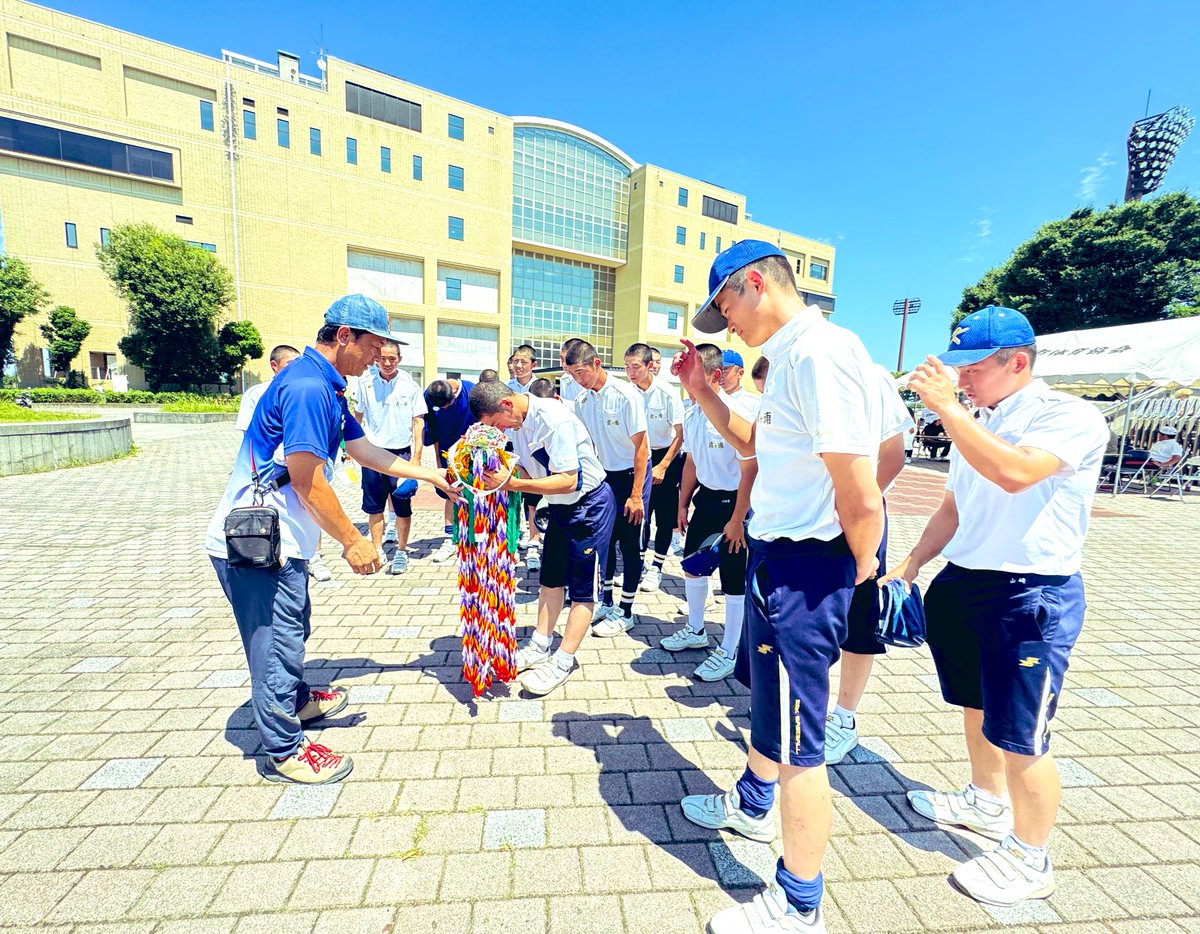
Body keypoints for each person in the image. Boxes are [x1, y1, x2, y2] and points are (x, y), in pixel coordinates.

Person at [673, 241, 884, 934]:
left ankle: (799, 904)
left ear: (755, 283)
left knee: (801, 745)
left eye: (724, 306)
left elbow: (859, 486)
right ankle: (754, 807)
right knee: (771, 710)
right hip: (778, 556)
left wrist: (863, 571)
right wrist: (702, 391)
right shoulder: (793, 355)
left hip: (807, 565)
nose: (725, 325)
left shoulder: (819, 352)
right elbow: (752, 448)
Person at [882, 305, 1107, 907]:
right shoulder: (976, 418)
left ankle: (1031, 856)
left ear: (1019, 362)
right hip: (967, 581)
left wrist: (951, 412)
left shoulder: (1068, 415)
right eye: (958, 370)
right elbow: (956, 506)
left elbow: (1015, 473)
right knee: (976, 705)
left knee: (1023, 735)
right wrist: (912, 563)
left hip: (1031, 592)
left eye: (973, 368)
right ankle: (984, 800)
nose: (962, 380)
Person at [204, 294, 458, 784]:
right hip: (259, 542)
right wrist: (352, 541)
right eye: (372, 346)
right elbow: (306, 478)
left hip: (284, 539)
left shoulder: (327, 385)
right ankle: (283, 749)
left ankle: (294, 701)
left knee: (292, 627)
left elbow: (366, 451)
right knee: (275, 643)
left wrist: (432, 476)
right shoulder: (306, 387)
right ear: (344, 337)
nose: (375, 358)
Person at [469, 381, 615, 696]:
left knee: (581, 591)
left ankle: (563, 661)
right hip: (560, 509)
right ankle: (539, 646)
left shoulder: (553, 419)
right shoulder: (515, 423)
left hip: (587, 507)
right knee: (549, 580)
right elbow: (523, 465)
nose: (498, 431)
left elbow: (568, 479)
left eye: (495, 424)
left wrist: (513, 486)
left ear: (506, 405)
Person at [823, 366, 915, 764]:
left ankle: (843, 719)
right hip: (804, 525)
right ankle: (804, 707)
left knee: (859, 619)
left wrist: (858, 506)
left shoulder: (865, 374)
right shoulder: (784, 368)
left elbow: (893, 455)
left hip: (857, 519)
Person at [662, 342, 758, 681]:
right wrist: (682, 501)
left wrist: (737, 520)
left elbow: (752, 468)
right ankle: (696, 629)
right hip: (706, 500)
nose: (685, 379)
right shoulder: (693, 412)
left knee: (733, 580)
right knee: (692, 567)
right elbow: (691, 459)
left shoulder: (741, 411)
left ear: (714, 375)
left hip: (737, 505)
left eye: (693, 373)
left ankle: (730, 649)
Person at [564, 339, 650, 636]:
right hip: (604, 479)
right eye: (572, 374)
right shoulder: (582, 401)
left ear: (596, 364)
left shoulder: (626, 395)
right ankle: (609, 601)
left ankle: (626, 610)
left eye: (581, 372)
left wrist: (636, 494)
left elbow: (642, 449)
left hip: (631, 476)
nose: (578, 379)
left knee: (629, 541)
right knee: (605, 541)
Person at [236, 345, 335, 583]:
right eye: (291, 363)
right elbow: (250, 438)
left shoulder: (311, 389)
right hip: (272, 476)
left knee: (312, 510)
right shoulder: (257, 394)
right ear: (275, 365)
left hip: (303, 468)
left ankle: (314, 556)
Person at [353, 340, 427, 575]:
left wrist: (416, 459)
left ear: (399, 359)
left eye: (391, 359)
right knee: (374, 506)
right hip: (372, 453)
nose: (386, 363)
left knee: (403, 504)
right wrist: (350, 449)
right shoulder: (365, 383)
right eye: (382, 358)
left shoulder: (410, 385)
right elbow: (358, 415)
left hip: (401, 455)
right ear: (377, 358)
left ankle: (402, 551)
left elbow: (418, 422)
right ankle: (377, 548)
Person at [624, 343, 684, 593]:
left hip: (665, 457)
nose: (630, 372)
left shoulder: (668, 393)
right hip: (638, 456)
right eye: (627, 367)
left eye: (635, 367)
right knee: (640, 514)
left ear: (650, 366)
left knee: (664, 515)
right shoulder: (627, 392)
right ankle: (637, 564)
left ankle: (657, 567)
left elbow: (680, 435)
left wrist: (663, 466)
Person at [423, 377, 477, 564]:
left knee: (476, 494)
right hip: (448, 453)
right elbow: (433, 432)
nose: (445, 409)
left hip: (474, 452)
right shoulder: (430, 396)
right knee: (450, 493)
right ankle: (450, 538)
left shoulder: (473, 392)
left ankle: (476, 537)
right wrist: (439, 463)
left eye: (448, 405)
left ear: (454, 393)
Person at [506, 345, 543, 562]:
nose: (518, 366)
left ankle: (534, 541)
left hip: (534, 447)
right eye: (515, 361)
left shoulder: (539, 387)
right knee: (515, 494)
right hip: (512, 447)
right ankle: (517, 535)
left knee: (534, 495)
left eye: (524, 362)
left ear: (533, 365)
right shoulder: (507, 387)